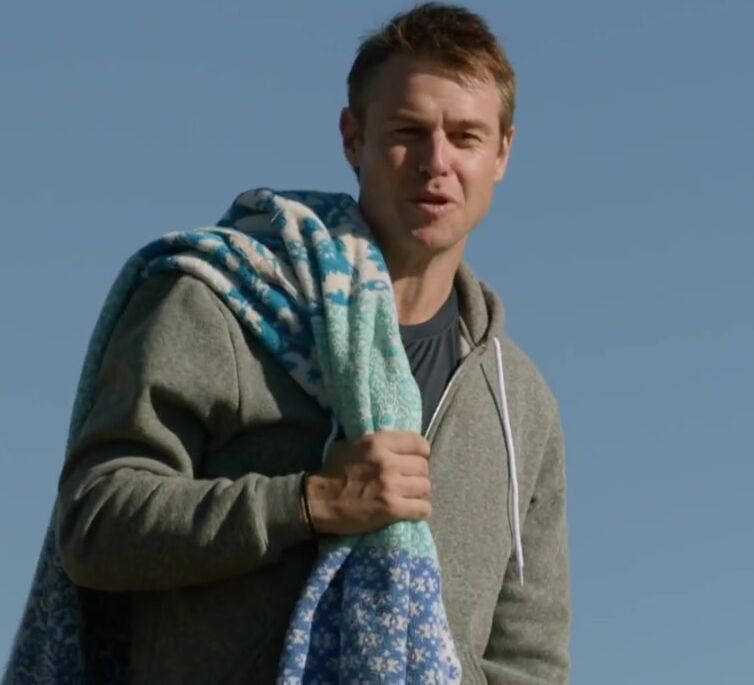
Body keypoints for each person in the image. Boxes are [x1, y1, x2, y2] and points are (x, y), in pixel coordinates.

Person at [43, 4, 569, 683]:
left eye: (465, 136)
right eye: (408, 132)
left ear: (502, 152)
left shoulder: (518, 402)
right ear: (353, 137)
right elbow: (95, 524)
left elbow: (528, 658)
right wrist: (309, 503)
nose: (436, 163)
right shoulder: (222, 302)